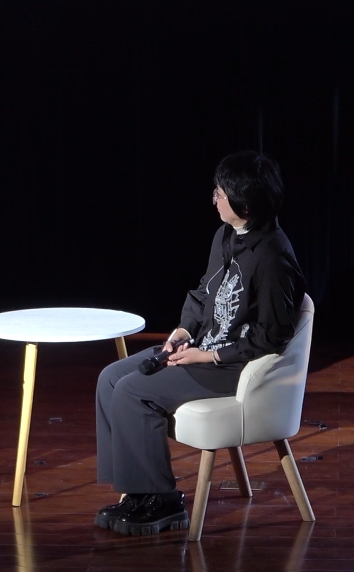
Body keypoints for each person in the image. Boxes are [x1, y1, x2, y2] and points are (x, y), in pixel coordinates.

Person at [94, 150, 305, 535]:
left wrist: (206, 356)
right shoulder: (225, 235)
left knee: (131, 391)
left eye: (221, 194)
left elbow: (274, 335)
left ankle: (162, 501)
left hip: (234, 367)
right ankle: (136, 493)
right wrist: (184, 331)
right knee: (110, 377)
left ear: (245, 204)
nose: (214, 199)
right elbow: (205, 292)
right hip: (204, 346)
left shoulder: (273, 258)